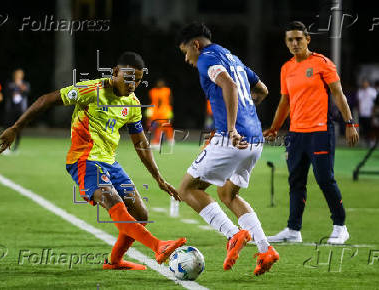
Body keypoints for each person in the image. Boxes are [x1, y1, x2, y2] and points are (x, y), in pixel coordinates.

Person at [0, 52, 186, 270]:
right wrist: (17, 127)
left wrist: (158, 178)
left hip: (110, 163)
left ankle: (115, 261)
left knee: (140, 214)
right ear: (115, 73)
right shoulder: (91, 90)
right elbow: (47, 99)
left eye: (138, 80)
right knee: (113, 202)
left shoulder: (132, 103)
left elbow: (141, 142)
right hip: (84, 160)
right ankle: (158, 245)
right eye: (129, 78)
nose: (133, 84)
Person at [176, 22, 279, 276]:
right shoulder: (231, 56)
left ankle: (234, 235)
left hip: (233, 139)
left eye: (185, 52)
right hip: (254, 140)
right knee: (228, 194)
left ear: (195, 45)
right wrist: (244, 115)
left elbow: (230, 86)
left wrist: (231, 128)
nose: (187, 59)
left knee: (187, 189)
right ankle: (265, 249)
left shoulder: (205, 58)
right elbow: (262, 90)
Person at [265, 21, 359, 245]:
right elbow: (285, 102)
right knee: (296, 181)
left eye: (299, 38)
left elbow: (338, 94)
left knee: (325, 178)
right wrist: (275, 127)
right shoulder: (286, 68)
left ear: (308, 39)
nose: (295, 43)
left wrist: (350, 123)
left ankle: (340, 226)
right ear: (286, 43)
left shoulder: (322, 63)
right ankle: (293, 230)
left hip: (320, 131)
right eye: (290, 39)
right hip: (296, 134)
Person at [5, 68, 30, 152]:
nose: (18, 76)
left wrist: (20, 86)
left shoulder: (25, 84)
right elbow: (6, 92)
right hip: (11, 109)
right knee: (9, 127)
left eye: (20, 74)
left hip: (21, 110)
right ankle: (7, 145)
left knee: (18, 128)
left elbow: (27, 91)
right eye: (16, 74)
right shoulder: (10, 83)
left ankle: (16, 146)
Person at [146, 79, 174, 148]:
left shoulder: (167, 90)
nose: (160, 84)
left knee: (165, 125)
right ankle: (156, 141)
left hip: (165, 110)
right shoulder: (153, 91)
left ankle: (167, 139)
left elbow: (170, 100)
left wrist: (169, 110)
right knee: (153, 126)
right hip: (155, 110)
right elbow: (150, 101)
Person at [357, 79, 377, 145]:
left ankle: (371, 140)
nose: (364, 84)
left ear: (368, 83)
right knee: (363, 127)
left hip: (369, 113)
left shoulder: (373, 91)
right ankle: (365, 140)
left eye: (366, 83)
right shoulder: (360, 91)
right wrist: (359, 111)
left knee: (370, 127)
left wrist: (373, 112)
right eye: (363, 83)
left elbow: (375, 103)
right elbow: (359, 102)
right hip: (362, 113)